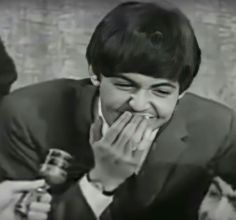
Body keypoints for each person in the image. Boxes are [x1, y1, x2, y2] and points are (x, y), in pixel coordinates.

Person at [0, 1, 235, 220]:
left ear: (182, 91)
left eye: (161, 91)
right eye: (124, 85)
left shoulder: (219, 129)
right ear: (95, 73)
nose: (139, 104)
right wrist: (101, 180)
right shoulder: (25, 116)